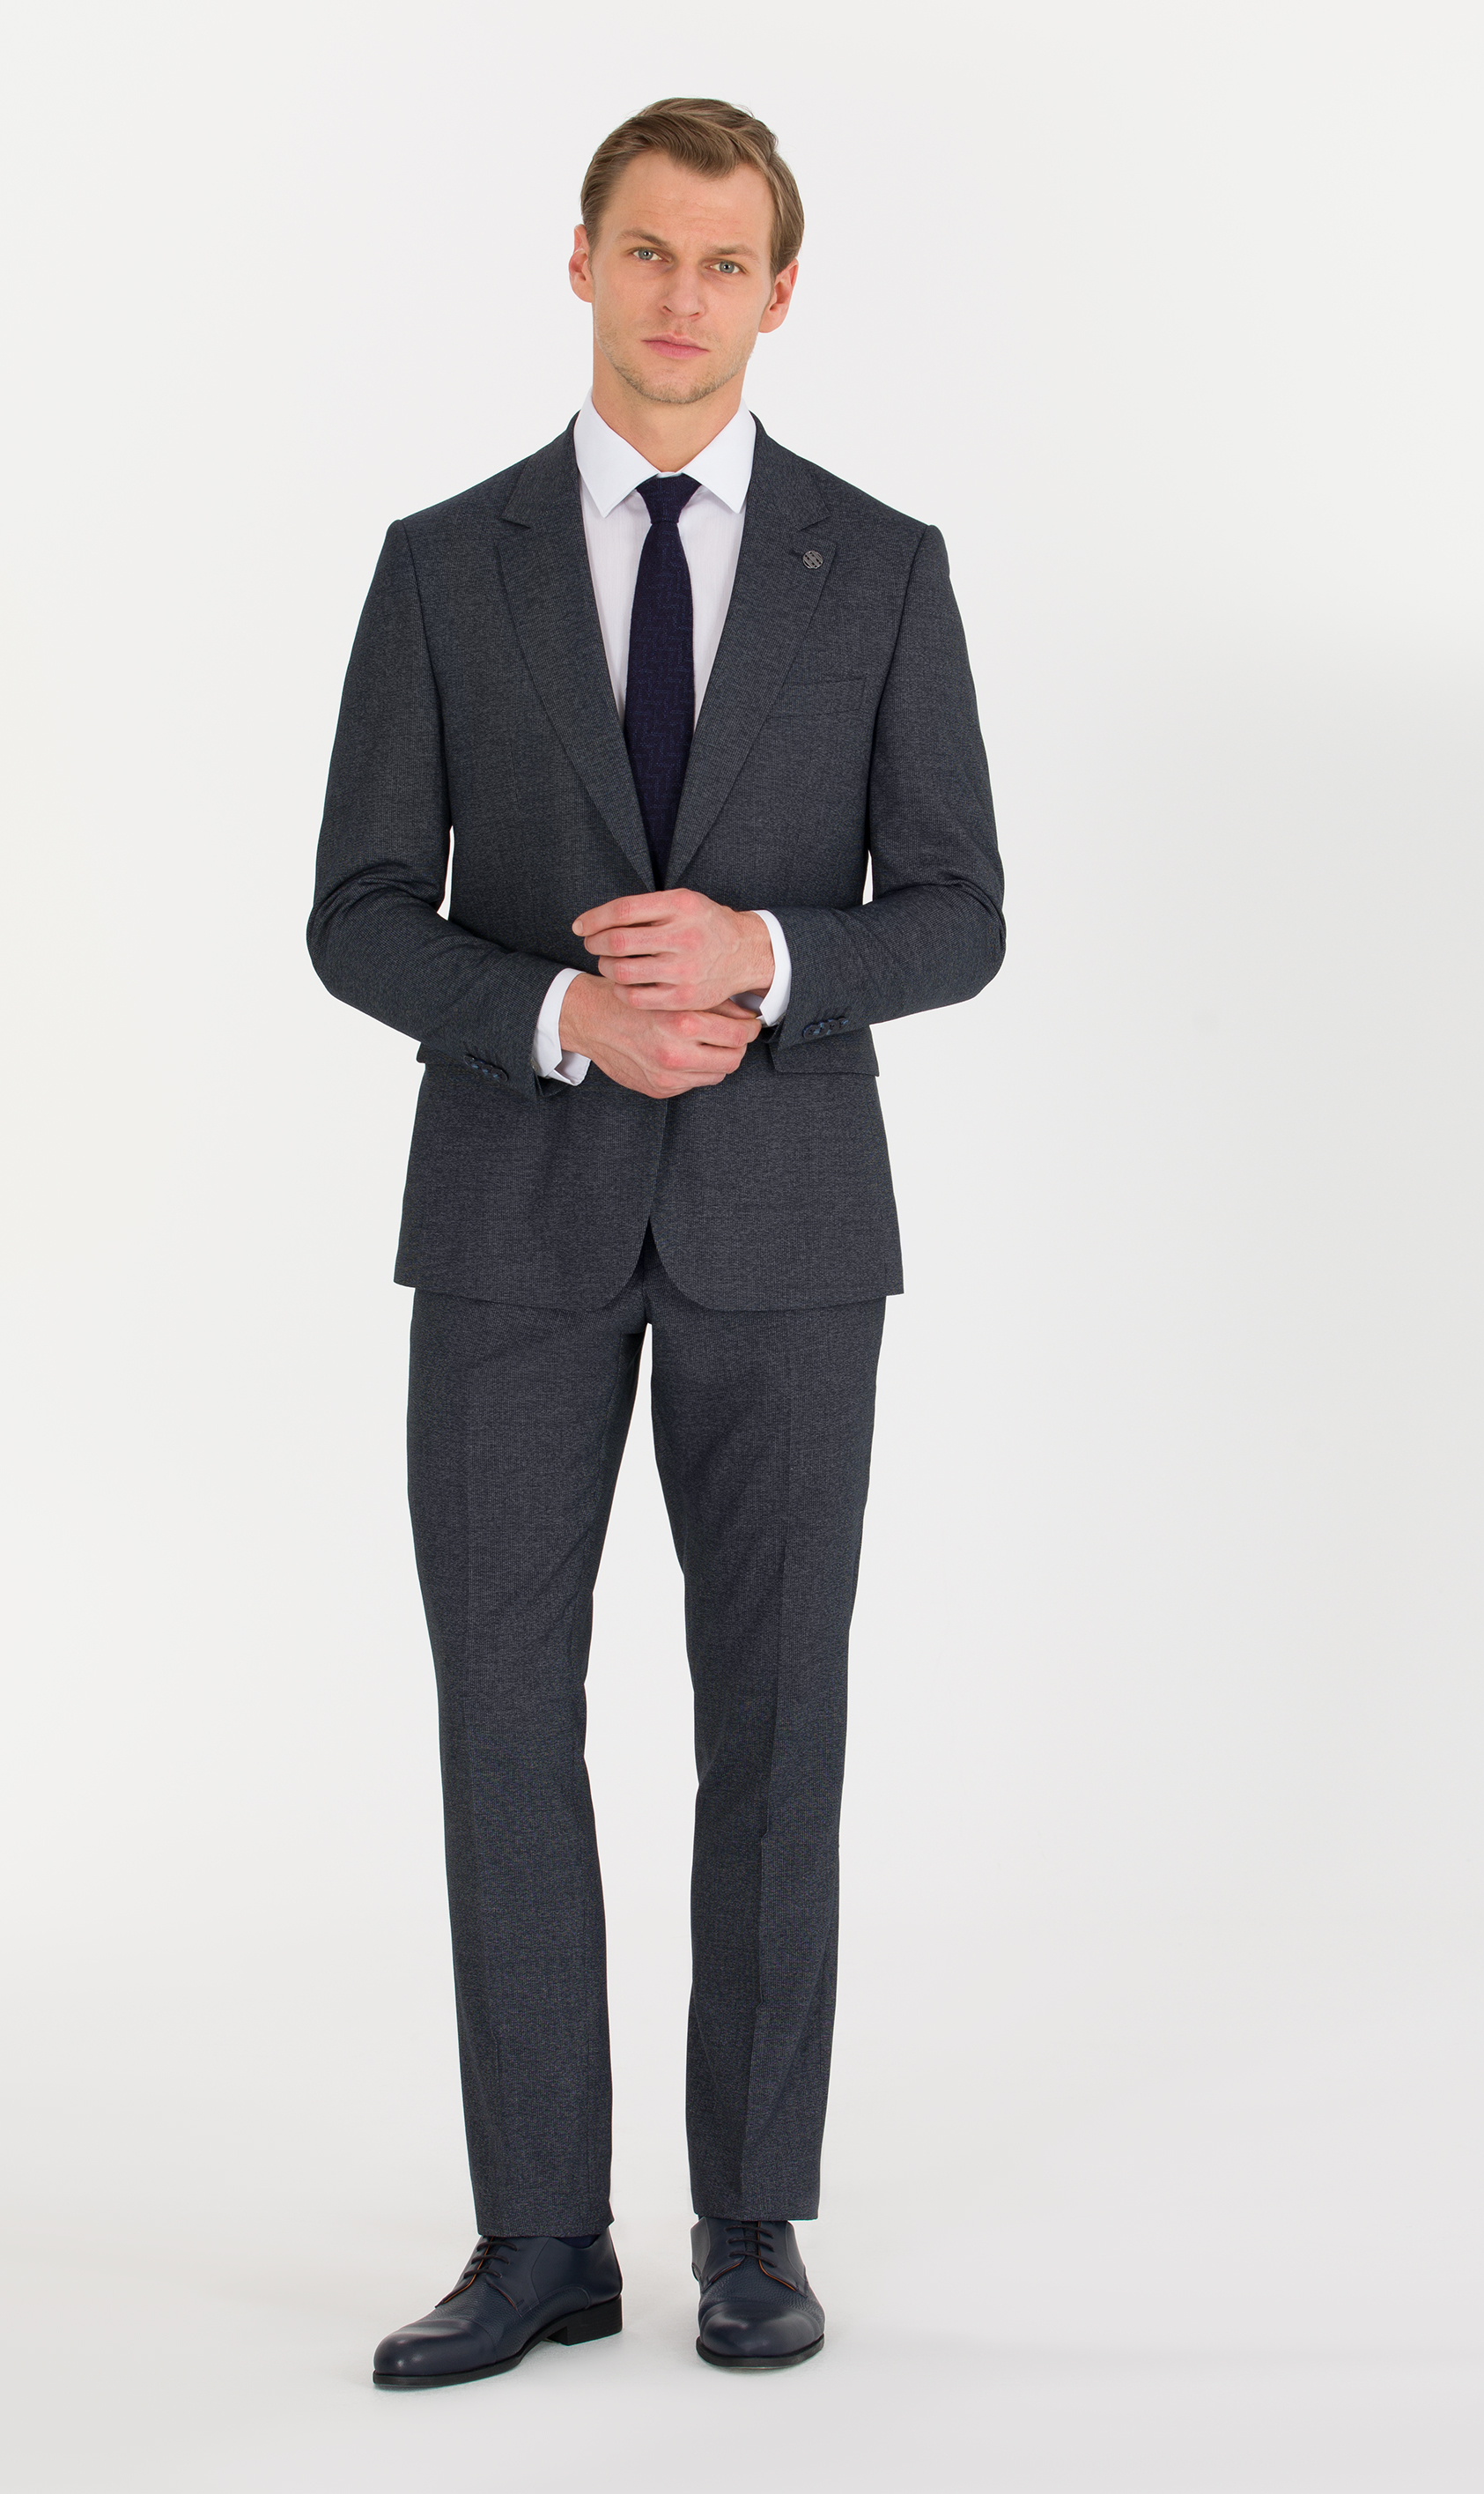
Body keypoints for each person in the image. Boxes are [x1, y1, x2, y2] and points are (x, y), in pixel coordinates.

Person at [308, 96, 1004, 2388]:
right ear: (582, 263)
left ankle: (750, 2221)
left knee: (774, 1724)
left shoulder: (878, 569)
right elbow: (354, 913)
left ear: (780, 293)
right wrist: (564, 1014)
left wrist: (770, 958)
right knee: (505, 1716)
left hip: (788, 1232)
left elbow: (960, 913)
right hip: (508, 1220)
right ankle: (538, 2236)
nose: (681, 297)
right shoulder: (445, 565)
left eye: (724, 262)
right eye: (646, 251)